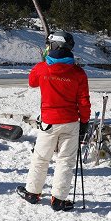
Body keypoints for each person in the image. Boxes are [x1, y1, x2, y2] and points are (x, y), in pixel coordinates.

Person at [16, 31, 91, 211]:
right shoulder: (78, 72)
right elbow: (84, 101)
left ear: (54, 46)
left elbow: (32, 82)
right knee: (65, 161)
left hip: (49, 122)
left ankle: (33, 193)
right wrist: (85, 122)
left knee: (41, 158)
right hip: (71, 122)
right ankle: (58, 199)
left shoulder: (42, 68)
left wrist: (43, 60)